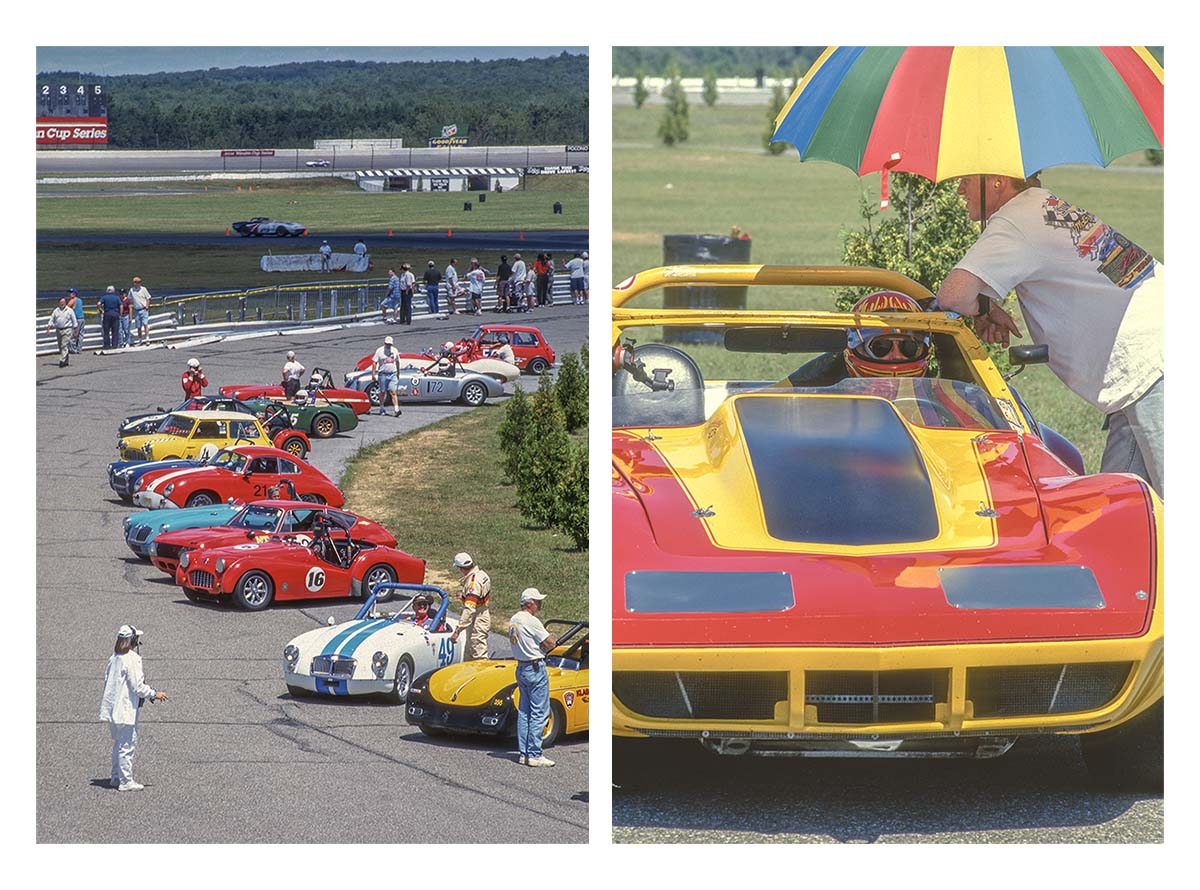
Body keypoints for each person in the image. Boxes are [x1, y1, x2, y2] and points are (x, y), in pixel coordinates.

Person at [935, 174, 1164, 495]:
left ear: (997, 181)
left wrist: (979, 309)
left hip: (1154, 367)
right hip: (1150, 364)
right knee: (1123, 513)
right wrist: (986, 309)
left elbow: (952, 296)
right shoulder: (1043, 207)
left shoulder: (1015, 221)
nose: (959, 189)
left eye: (966, 180)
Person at [784, 291, 932, 387]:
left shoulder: (937, 402)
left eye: (908, 348)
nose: (896, 356)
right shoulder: (826, 404)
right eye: (881, 347)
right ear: (857, 348)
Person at [100, 625, 168, 791]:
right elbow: (137, 686)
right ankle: (126, 781)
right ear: (131, 640)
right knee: (127, 745)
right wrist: (153, 694)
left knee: (118, 744)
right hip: (125, 709)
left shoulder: (114, 658)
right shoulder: (132, 659)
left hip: (112, 708)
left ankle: (116, 777)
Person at [508, 588, 557, 767]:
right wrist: (542, 649)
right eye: (537, 601)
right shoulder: (532, 621)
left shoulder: (514, 619)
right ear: (530, 603)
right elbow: (550, 642)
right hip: (535, 667)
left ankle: (524, 753)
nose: (539, 604)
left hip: (521, 666)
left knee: (525, 712)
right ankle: (535, 753)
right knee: (539, 711)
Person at [450, 552, 490, 661]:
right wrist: (464, 596)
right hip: (482, 613)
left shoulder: (473, 583)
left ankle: (482, 677)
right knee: (469, 652)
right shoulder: (482, 575)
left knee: (478, 653)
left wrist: (457, 631)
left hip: (477, 619)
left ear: (461, 568)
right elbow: (477, 597)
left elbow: (469, 609)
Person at [372, 334, 402, 417]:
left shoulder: (395, 350)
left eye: (390, 344)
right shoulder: (379, 351)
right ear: (384, 343)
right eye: (387, 344)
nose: (388, 345)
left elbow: (397, 362)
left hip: (393, 374)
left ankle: (396, 409)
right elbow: (374, 362)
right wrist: (373, 374)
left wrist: (398, 373)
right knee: (382, 392)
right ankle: (381, 408)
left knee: (393, 391)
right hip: (383, 374)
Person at [47, 297, 76, 367]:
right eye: (61, 302)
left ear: (66, 303)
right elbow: (51, 320)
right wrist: (48, 329)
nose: (62, 303)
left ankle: (62, 361)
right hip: (58, 330)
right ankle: (66, 360)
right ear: (59, 303)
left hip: (67, 329)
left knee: (64, 345)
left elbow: (74, 321)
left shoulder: (69, 310)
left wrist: (75, 330)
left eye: (63, 302)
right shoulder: (56, 311)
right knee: (61, 346)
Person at [129, 276, 152, 345]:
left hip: (143, 309)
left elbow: (148, 298)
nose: (137, 284)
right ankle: (140, 340)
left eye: (138, 282)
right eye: (136, 282)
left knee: (145, 324)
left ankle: (147, 339)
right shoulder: (132, 290)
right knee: (138, 326)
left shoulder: (143, 289)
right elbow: (129, 298)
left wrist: (147, 305)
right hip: (136, 310)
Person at [98, 285, 122, 349]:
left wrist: (100, 310)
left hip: (107, 314)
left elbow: (99, 304)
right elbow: (121, 306)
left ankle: (107, 345)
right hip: (115, 314)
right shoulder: (117, 297)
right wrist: (120, 314)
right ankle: (114, 345)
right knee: (115, 331)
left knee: (106, 331)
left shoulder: (104, 297)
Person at [69, 287, 85, 354]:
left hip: (76, 319)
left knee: (74, 335)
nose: (70, 294)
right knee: (81, 335)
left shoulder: (73, 300)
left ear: (74, 294)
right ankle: (79, 348)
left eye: (71, 293)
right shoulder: (80, 300)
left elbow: (67, 307)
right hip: (82, 318)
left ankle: (73, 349)